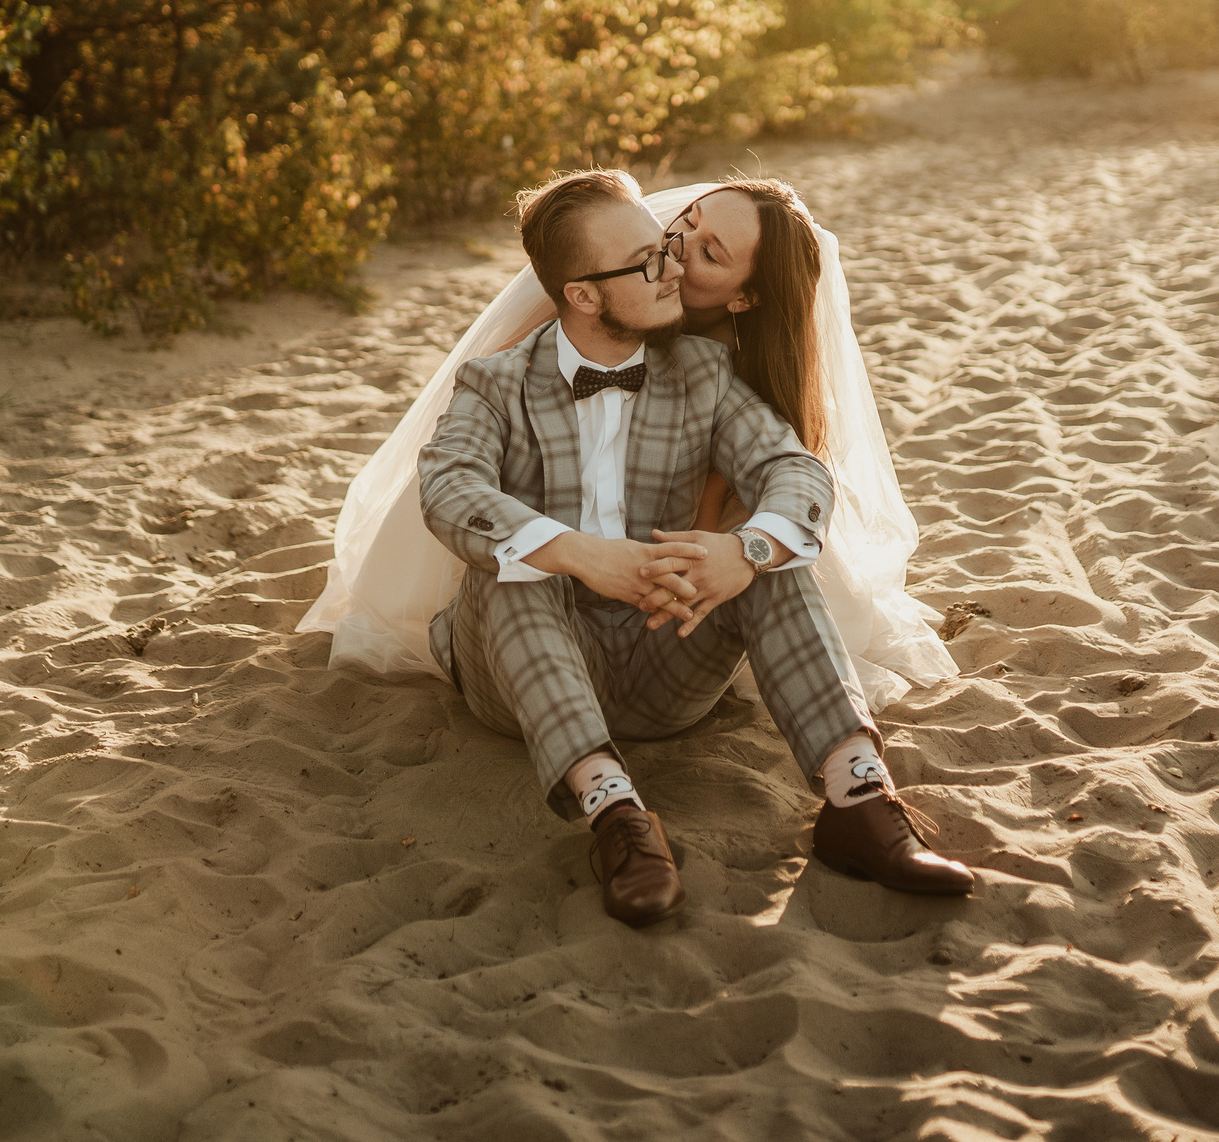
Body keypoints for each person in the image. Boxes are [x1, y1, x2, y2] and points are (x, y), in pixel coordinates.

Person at [412, 170, 972, 925]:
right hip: (521, 678)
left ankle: (860, 797)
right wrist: (580, 552)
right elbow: (447, 490)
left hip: (665, 664)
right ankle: (618, 816)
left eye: (677, 250)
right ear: (582, 294)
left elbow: (793, 468)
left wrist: (743, 551)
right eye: (651, 260)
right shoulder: (496, 383)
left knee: (769, 554)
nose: (672, 264)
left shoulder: (706, 372)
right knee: (519, 564)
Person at [300, 179, 954, 705]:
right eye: (691, 218)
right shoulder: (608, 280)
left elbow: (722, 487)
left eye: (709, 251)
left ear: (745, 298)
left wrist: (685, 564)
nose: (677, 240)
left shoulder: (731, 362)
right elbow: (498, 393)